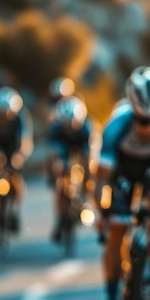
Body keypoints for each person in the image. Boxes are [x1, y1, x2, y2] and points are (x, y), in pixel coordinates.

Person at [93, 65, 150, 300]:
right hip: (122, 173)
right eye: (142, 121)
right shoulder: (116, 126)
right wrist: (100, 212)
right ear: (133, 113)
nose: (149, 128)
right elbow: (100, 180)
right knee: (116, 229)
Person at [0, 86, 33, 233]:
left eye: (7, 114)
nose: (3, 117)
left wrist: (19, 156)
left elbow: (25, 142)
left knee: (15, 177)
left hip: (13, 148)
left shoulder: (21, 118)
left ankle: (14, 211)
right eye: (0, 114)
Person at [46, 95, 93, 243]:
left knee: (89, 164)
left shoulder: (86, 127)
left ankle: (85, 195)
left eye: (73, 124)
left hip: (80, 148)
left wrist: (88, 171)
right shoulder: (55, 129)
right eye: (66, 125)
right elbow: (53, 152)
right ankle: (60, 215)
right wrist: (56, 170)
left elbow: (91, 150)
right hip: (63, 150)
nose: (70, 127)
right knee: (58, 168)